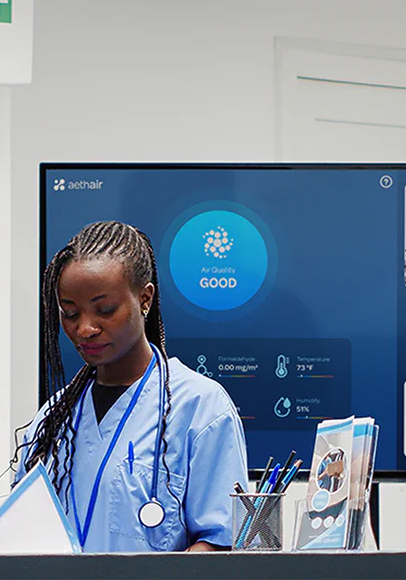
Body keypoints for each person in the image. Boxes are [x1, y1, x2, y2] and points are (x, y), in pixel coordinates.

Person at [17, 221, 250, 552]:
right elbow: (21, 539)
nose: (85, 328)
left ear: (145, 298)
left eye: (105, 310)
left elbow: (220, 544)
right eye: (69, 313)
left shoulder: (200, 408)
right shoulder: (52, 420)